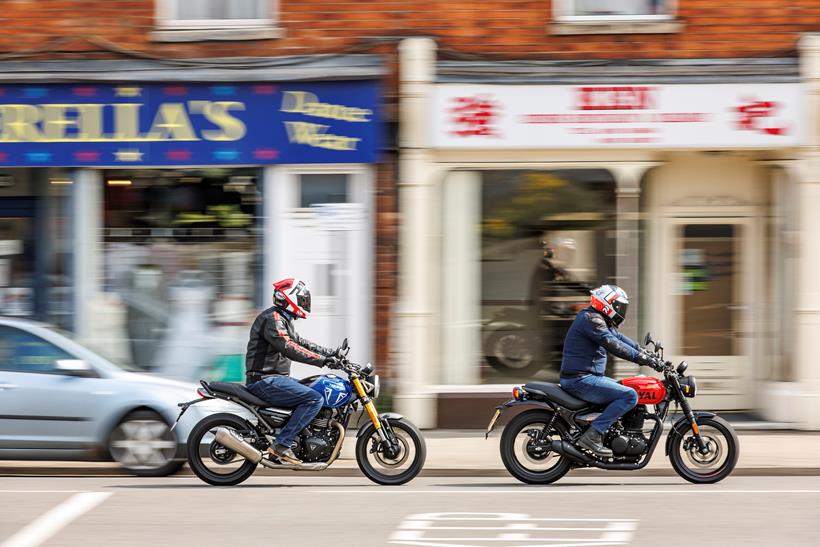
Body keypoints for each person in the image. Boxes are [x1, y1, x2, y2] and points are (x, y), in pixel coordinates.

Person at [245, 278, 340, 464]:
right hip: (265, 380)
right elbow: (290, 347)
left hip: (275, 378)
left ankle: (292, 438)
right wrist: (323, 361)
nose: (305, 304)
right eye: (302, 300)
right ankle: (281, 445)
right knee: (314, 399)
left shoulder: (281, 319)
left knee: (314, 387)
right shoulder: (272, 319)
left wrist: (331, 353)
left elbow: (300, 342)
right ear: (289, 299)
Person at [559, 285, 661, 459]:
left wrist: (644, 352)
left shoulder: (598, 319)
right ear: (608, 304)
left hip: (587, 378)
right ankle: (593, 435)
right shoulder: (591, 319)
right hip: (580, 380)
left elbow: (620, 339)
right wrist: (640, 358)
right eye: (619, 306)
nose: (621, 310)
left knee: (628, 388)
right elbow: (613, 344)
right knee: (629, 395)